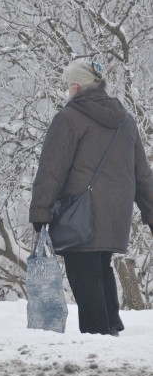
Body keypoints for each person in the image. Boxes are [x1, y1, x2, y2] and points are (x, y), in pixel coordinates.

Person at [30, 59, 153, 336]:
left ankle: (98, 334)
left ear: (75, 87)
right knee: (100, 265)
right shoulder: (126, 121)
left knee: (84, 273)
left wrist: (40, 212)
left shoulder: (69, 118)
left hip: (80, 213)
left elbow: (52, 169)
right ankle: (110, 327)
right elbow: (142, 174)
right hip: (115, 214)